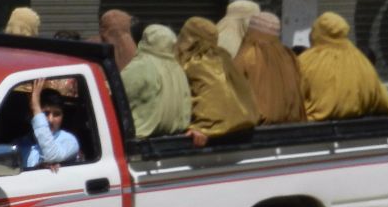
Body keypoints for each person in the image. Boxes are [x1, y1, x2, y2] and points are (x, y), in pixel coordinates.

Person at [176, 16, 259, 146]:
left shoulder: (192, 63)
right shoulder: (224, 57)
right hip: (244, 129)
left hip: (207, 134)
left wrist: (199, 127)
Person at [298, 11, 388, 120]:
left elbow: (292, 101)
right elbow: (385, 104)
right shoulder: (362, 61)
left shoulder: (306, 61)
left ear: (317, 32)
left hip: (312, 131)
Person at [120, 23, 192, 138]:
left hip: (141, 139)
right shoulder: (178, 68)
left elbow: (117, 92)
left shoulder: (142, 65)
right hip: (176, 138)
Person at [233, 11, 305, 125]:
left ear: (250, 31)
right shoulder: (289, 56)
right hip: (292, 128)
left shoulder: (247, 56)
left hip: (257, 131)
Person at [15, 79, 79, 170]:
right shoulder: (19, 145)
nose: (50, 120)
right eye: (45, 113)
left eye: (57, 114)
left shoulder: (68, 140)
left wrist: (36, 106)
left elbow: (52, 156)